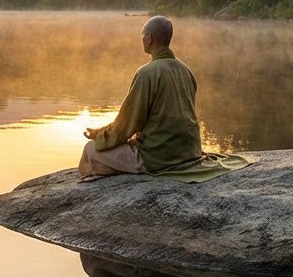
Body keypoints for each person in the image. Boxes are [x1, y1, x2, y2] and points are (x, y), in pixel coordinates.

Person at [79, 15, 202, 179]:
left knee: (90, 149)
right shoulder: (185, 70)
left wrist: (100, 136)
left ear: (149, 38)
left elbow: (129, 123)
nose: (142, 39)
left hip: (159, 157)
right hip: (190, 152)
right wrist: (103, 131)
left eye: (143, 35)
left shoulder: (147, 73)